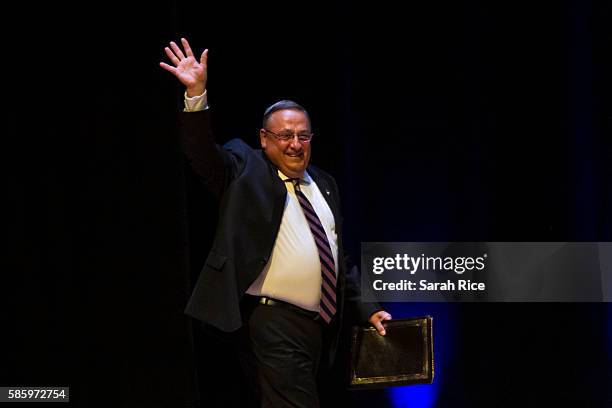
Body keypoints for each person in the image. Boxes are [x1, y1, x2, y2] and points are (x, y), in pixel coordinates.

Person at [160, 37, 392, 408]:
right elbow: (201, 153)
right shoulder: (244, 167)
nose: (296, 144)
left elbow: (337, 259)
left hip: (320, 329)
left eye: (303, 135)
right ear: (264, 140)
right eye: (285, 136)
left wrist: (369, 308)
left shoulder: (324, 183)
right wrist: (196, 95)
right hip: (271, 321)